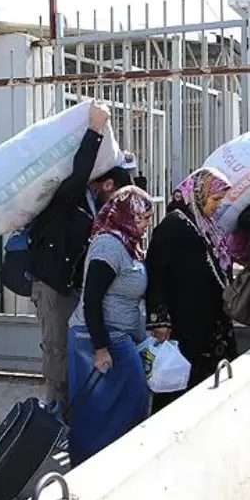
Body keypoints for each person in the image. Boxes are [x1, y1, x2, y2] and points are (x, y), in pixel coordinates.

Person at [28, 104, 132, 406]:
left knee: (71, 349)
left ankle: (70, 411)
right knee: (56, 348)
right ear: (107, 184)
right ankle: (53, 413)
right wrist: (95, 131)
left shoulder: (94, 207)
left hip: (70, 285)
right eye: (116, 195)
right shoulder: (68, 197)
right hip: (51, 284)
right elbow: (79, 172)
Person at [66, 186, 154, 465]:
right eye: (143, 217)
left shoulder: (128, 243)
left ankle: (115, 461)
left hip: (120, 334)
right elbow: (91, 300)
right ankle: (88, 462)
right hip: (101, 336)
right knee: (105, 403)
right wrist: (101, 347)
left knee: (126, 401)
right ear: (127, 214)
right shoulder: (109, 245)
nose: (147, 224)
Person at [145, 168, 238, 413]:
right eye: (215, 199)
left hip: (212, 321)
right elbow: (157, 273)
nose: (218, 206)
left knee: (212, 385)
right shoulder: (174, 225)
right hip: (185, 322)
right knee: (181, 388)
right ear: (198, 194)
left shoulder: (207, 225)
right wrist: (159, 320)